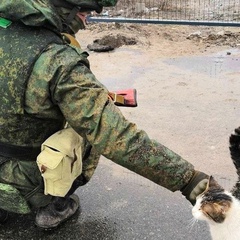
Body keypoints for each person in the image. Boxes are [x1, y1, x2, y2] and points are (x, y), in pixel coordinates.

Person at [0, 0, 209, 230]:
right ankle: (53, 206)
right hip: (25, 180)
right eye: (84, 13)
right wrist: (189, 180)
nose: (87, 21)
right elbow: (116, 136)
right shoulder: (57, 60)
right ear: (65, 9)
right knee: (87, 133)